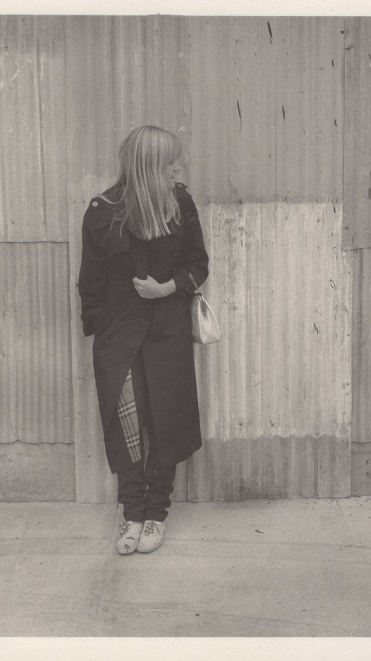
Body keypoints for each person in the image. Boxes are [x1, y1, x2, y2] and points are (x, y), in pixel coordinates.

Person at [77, 125, 209, 555]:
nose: (178, 169)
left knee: (165, 421)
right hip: (121, 337)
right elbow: (90, 282)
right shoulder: (102, 212)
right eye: (170, 162)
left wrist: (166, 288)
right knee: (126, 426)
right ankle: (131, 512)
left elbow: (198, 264)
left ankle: (156, 513)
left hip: (167, 333)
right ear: (150, 166)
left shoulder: (179, 205)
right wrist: (104, 333)